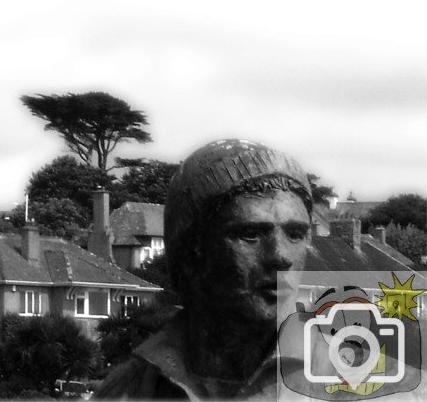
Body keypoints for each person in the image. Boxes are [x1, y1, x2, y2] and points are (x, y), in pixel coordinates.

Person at [96, 138, 313, 400]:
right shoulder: (128, 390)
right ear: (191, 251)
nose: (280, 256)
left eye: (295, 234)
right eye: (250, 234)